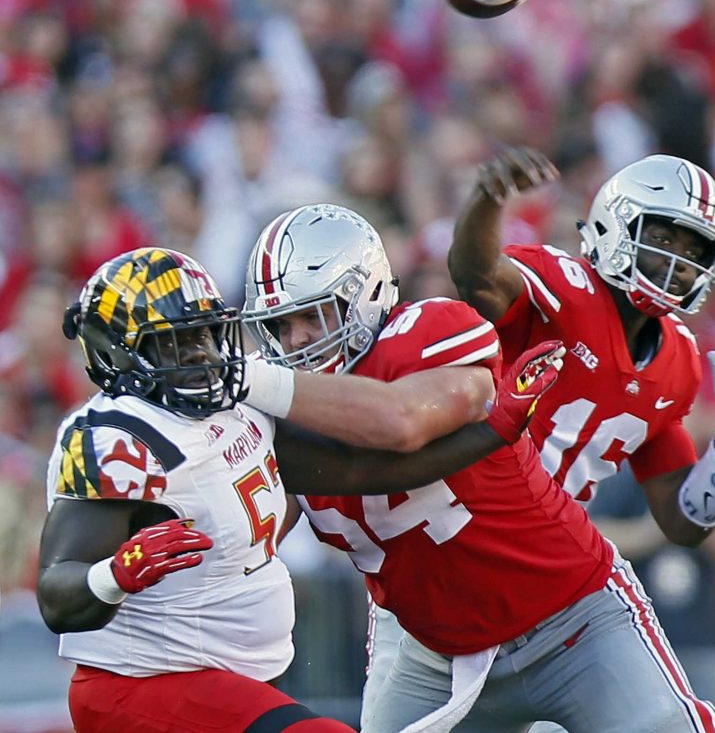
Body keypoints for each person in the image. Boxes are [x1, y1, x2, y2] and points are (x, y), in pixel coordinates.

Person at [242, 202, 715, 733]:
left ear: (365, 296)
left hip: (570, 614)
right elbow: (253, 536)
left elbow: (399, 423)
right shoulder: (277, 420)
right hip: (436, 652)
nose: (298, 340)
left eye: (313, 316)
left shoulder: (428, 331)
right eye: (281, 325)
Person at [37, 246, 561, 733]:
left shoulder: (239, 406)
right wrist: (115, 574)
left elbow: (359, 472)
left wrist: (493, 431)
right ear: (122, 354)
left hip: (228, 680)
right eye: (175, 341)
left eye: (204, 334)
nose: (199, 354)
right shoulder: (113, 439)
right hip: (143, 686)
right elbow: (58, 595)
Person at [443, 148, 715, 731]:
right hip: (458, 551)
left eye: (695, 252)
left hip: (561, 578)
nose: (678, 262)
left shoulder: (680, 363)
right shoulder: (562, 284)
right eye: (664, 237)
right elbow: (475, 274)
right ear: (616, 224)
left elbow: (682, 523)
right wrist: (488, 199)